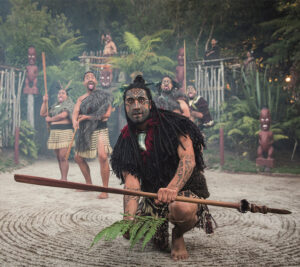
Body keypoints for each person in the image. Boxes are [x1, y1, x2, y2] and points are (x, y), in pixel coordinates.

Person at [111, 75, 213, 261]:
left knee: (180, 209)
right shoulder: (126, 140)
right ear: (125, 106)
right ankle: (150, 217)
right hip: (154, 196)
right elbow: (132, 183)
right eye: (130, 101)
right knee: (131, 229)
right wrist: (129, 217)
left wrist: (173, 188)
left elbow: (188, 159)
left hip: (184, 189)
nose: (136, 106)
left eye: (141, 100)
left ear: (150, 103)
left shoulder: (173, 124)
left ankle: (178, 234)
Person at [72, 71, 112, 199]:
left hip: (100, 129)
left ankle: (105, 190)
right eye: (87, 78)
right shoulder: (81, 99)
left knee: (103, 156)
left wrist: (87, 117)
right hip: (86, 130)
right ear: (84, 83)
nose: (90, 79)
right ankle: (88, 184)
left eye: (92, 77)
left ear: (96, 81)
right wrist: (74, 122)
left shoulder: (104, 96)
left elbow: (106, 115)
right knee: (78, 157)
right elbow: (76, 112)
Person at [40, 88, 74, 180]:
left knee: (63, 156)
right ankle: (62, 178)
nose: (60, 95)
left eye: (63, 93)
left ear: (67, 96)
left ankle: (64, 178)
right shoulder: (55, 106)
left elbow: (63, 115)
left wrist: (50, 119)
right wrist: (44, 102)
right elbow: (42, 113)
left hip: (65, 132)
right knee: (58, 157)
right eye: (59, 93)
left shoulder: (69, 104)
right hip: (54, 133)